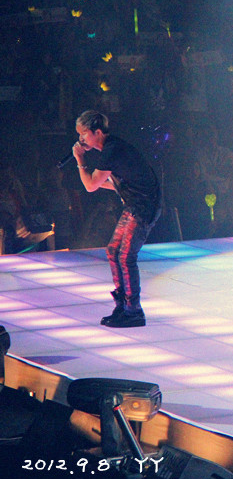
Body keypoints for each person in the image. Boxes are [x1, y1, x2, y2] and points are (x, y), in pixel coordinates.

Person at [72, 110, 161, 328]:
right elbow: (111, 183)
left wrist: (80, 160)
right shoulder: (112, 148)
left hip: (143, 207)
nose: (81, 139)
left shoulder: (111, 151)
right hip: (135, 204)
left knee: (126, 256)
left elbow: (91, 186)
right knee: (113, 251)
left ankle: (134, 311)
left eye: (84, 134)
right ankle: (122, 306)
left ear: (98, 132)